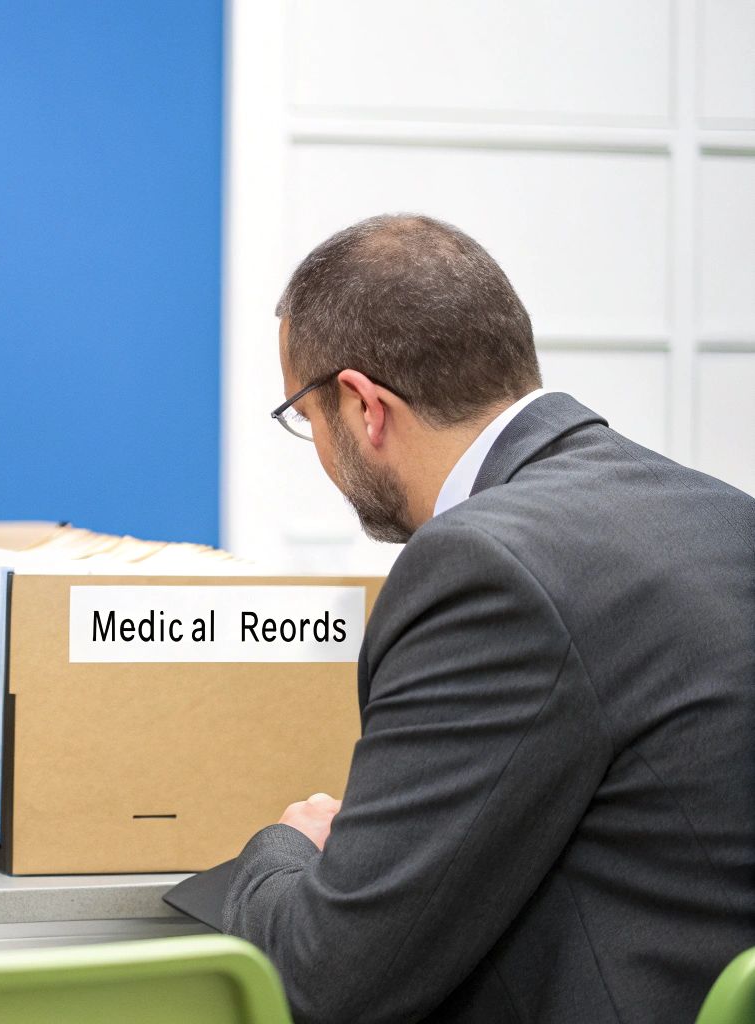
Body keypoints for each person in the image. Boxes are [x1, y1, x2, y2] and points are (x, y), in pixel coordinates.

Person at [225, 214, 755, 1022]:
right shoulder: (723, 514)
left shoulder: (483, 567)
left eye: (306, 416)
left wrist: (286, 850)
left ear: (365, 407)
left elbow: (323, 985)